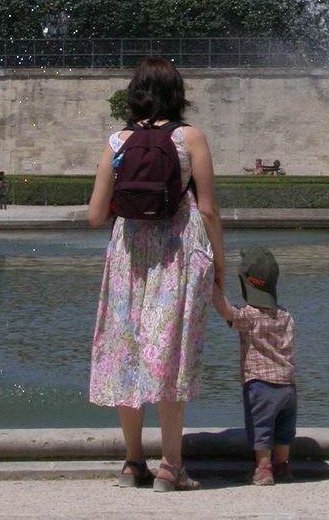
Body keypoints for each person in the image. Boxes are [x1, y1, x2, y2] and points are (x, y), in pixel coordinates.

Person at [88, 57, 225, 492]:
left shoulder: (118, 141)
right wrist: (219, 263)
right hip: (177, 255)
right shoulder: (190, 138)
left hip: (128, 257)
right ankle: (171, 466)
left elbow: (94, 215)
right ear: (177, 94)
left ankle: (132, 463)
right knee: (170, 356)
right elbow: (207, 209)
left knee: (124, 354)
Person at [212, 246, 296, 487]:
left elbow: (226, 310)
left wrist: (212, 286)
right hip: (288, 386)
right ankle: (282, 466)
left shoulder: (249, 315)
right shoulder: (286, 315)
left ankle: (263, 468)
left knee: (261, 429)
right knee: (283, 429)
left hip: (260, 384)